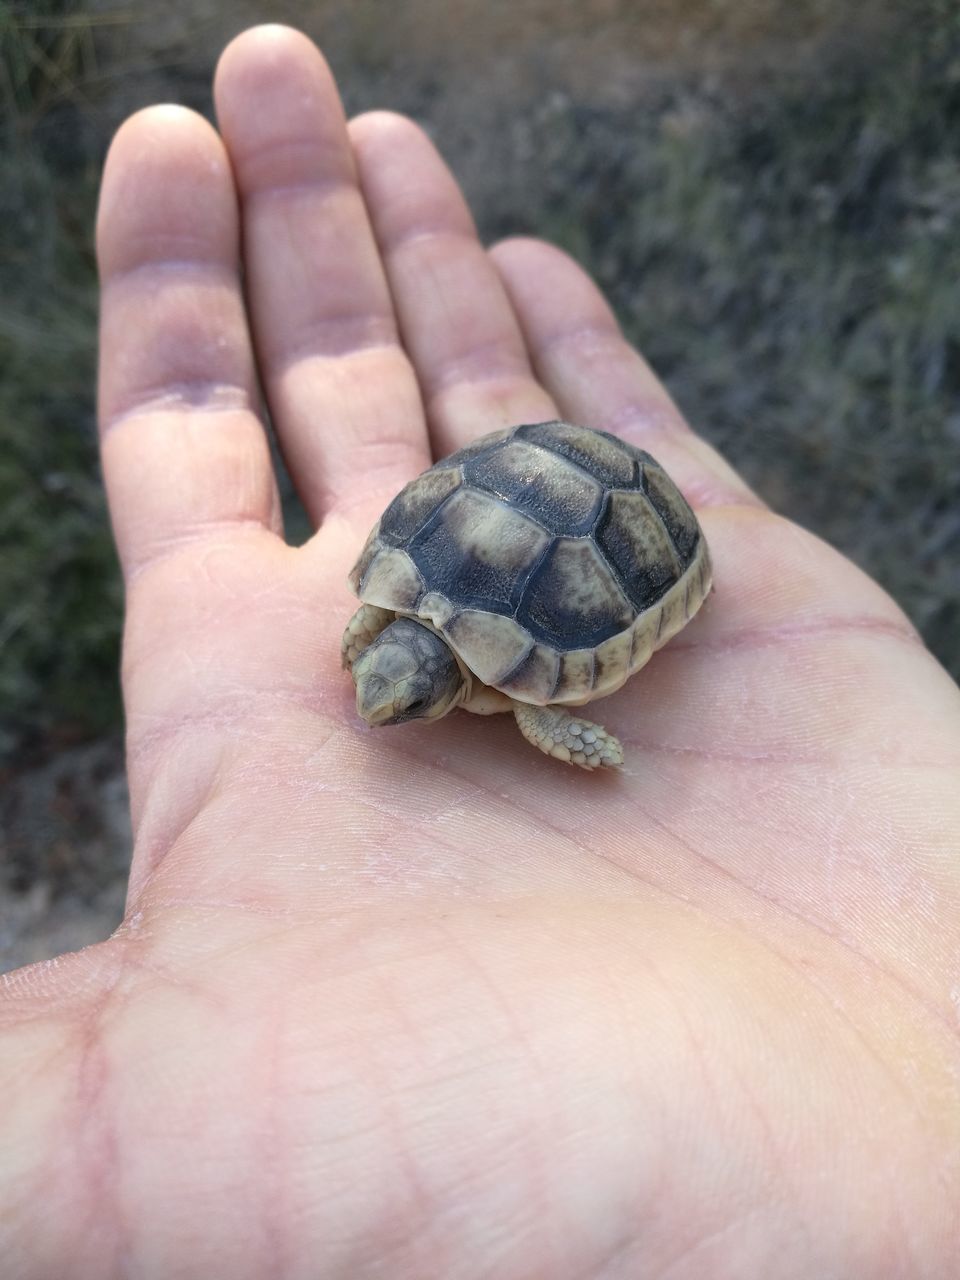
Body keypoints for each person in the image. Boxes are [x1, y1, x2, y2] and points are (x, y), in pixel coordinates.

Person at [2, 24, 959, 1278]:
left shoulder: (518, 697)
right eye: (379, 681)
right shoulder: (387, 623)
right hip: (523, 502)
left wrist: (576, 733)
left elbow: (557, 711)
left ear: (450, 685)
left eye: (393, 693)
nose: (372, 701)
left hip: (616, 515)